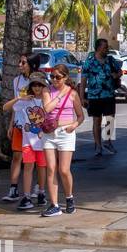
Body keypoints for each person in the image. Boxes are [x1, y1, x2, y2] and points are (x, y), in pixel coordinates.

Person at [41, 64, 85, 217]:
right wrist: (59, 95)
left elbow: (80, 116)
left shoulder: (73, 94)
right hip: (49, 133)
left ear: (65, 77)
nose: (54, 80)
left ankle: (69, 198)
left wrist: (74, 125)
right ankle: (54, 204)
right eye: (52, 76)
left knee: (64, 170)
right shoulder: (47, 90)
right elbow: (46, 109)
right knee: (51, 168)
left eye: (58, 77)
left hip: (66, 132)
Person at [2, 71, 49, 212]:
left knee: (42, 167)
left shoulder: (47, 100)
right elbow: (5, 108)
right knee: (28, 167)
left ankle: (41, 192)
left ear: (44, 86)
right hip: (27, 141)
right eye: (34, 85)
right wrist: (19, 98)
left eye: (40, 85)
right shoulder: (25, 101)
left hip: (43, 142)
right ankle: (27, 196)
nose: (37, 88)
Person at [81, 38, 122, 156]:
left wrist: (116, 74)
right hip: (94, 96)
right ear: (98, 48)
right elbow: (83, 80)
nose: (107, 49)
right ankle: (98, 146)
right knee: (96, 121)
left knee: (109, 120)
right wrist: (82, 97)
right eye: (105, 47)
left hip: (109, 95)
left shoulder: (110, 60)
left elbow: (120, 72)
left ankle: (108, 142)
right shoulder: (89, 62)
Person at [2, 53, 33, 202]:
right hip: (19, 122)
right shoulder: (16, 81)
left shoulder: (38, 80)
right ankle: (13, 189)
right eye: (19, 62)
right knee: (16, 156)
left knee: (32, 158)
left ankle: (38, 189)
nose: (20, 65)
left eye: (23, 62)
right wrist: (11, 124)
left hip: (33, 125)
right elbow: (16, 105)